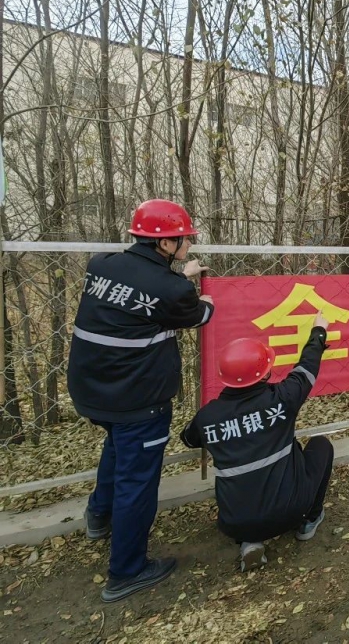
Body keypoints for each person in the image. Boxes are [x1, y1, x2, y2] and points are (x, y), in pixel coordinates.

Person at [68, 199, 215, 602]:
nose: (189, 244)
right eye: (184, 238)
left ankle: (99, 516)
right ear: (165, 244)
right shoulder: (171, 289)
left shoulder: (101, 265)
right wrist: (199, 292)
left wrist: (179, 278)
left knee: (117, 449)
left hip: (91, 390)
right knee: (137, 480)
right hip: (138, 398)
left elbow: (141, 293)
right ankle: (127, 571)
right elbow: (200, 313)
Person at [180, 312, 334, 572]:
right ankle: (309, 519)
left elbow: (188, 438)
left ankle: (249, 541)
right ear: (264, 374)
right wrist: (318, 330)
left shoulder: (208, 417)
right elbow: (307, 368)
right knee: (321, 446)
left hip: (234, 522)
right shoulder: (281, 399)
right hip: (291, 510)